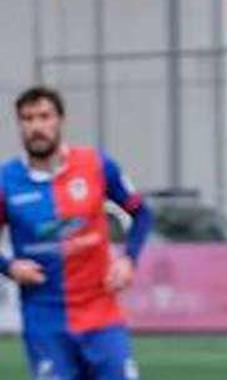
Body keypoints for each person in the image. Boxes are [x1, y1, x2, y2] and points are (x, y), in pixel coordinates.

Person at [0, 86, 152, 380]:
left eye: (44, 117)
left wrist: (128, 260)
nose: (36, 127)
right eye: (27, 119)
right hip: (45, 322)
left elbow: (142, 214)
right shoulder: (7, 181)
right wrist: (9, 267)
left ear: (60, 120)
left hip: (102, 315)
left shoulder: (96, 165)